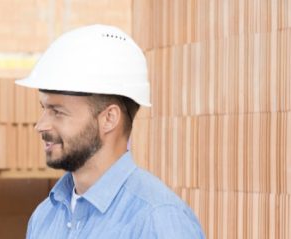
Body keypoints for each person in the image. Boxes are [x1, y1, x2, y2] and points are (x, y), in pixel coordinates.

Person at [18, 24, 204, 238]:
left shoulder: (158, 221)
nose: (40, 125)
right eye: (44, 108)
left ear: (109, 118)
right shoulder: (45, 217)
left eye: (57, 111)